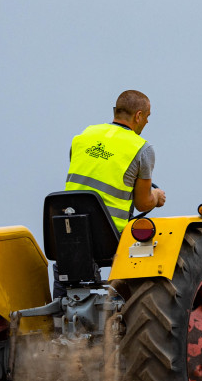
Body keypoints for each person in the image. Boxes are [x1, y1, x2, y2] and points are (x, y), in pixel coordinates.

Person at [55, 90, 167, 299]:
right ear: (138, 116)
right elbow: (143, 204)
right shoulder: (142, 149)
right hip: (109, 237)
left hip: (69, 231)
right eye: (148, 117)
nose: (147, 122)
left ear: (115, 111)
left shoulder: (83, 136)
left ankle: (58, 313)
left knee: (65, 267)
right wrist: (157, 197)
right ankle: (124, 305)